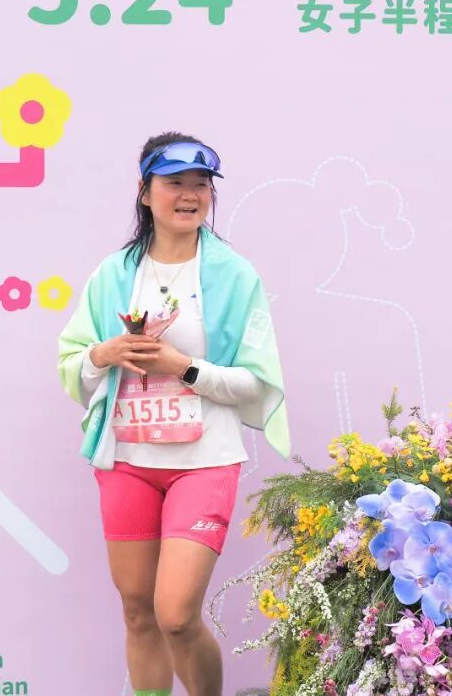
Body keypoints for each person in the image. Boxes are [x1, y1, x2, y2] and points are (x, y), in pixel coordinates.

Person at [57, 132, 290, 696]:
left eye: (201, 184)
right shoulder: (113, 274)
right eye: (175, 183)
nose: (189, 195)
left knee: (177, 615)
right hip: (126, 460)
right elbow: (73, 365)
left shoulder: (235, 276)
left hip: (203, 462)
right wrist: (103, 353)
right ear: (145, 192)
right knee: (138, 612)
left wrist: (183, 367)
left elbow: (257, 383)